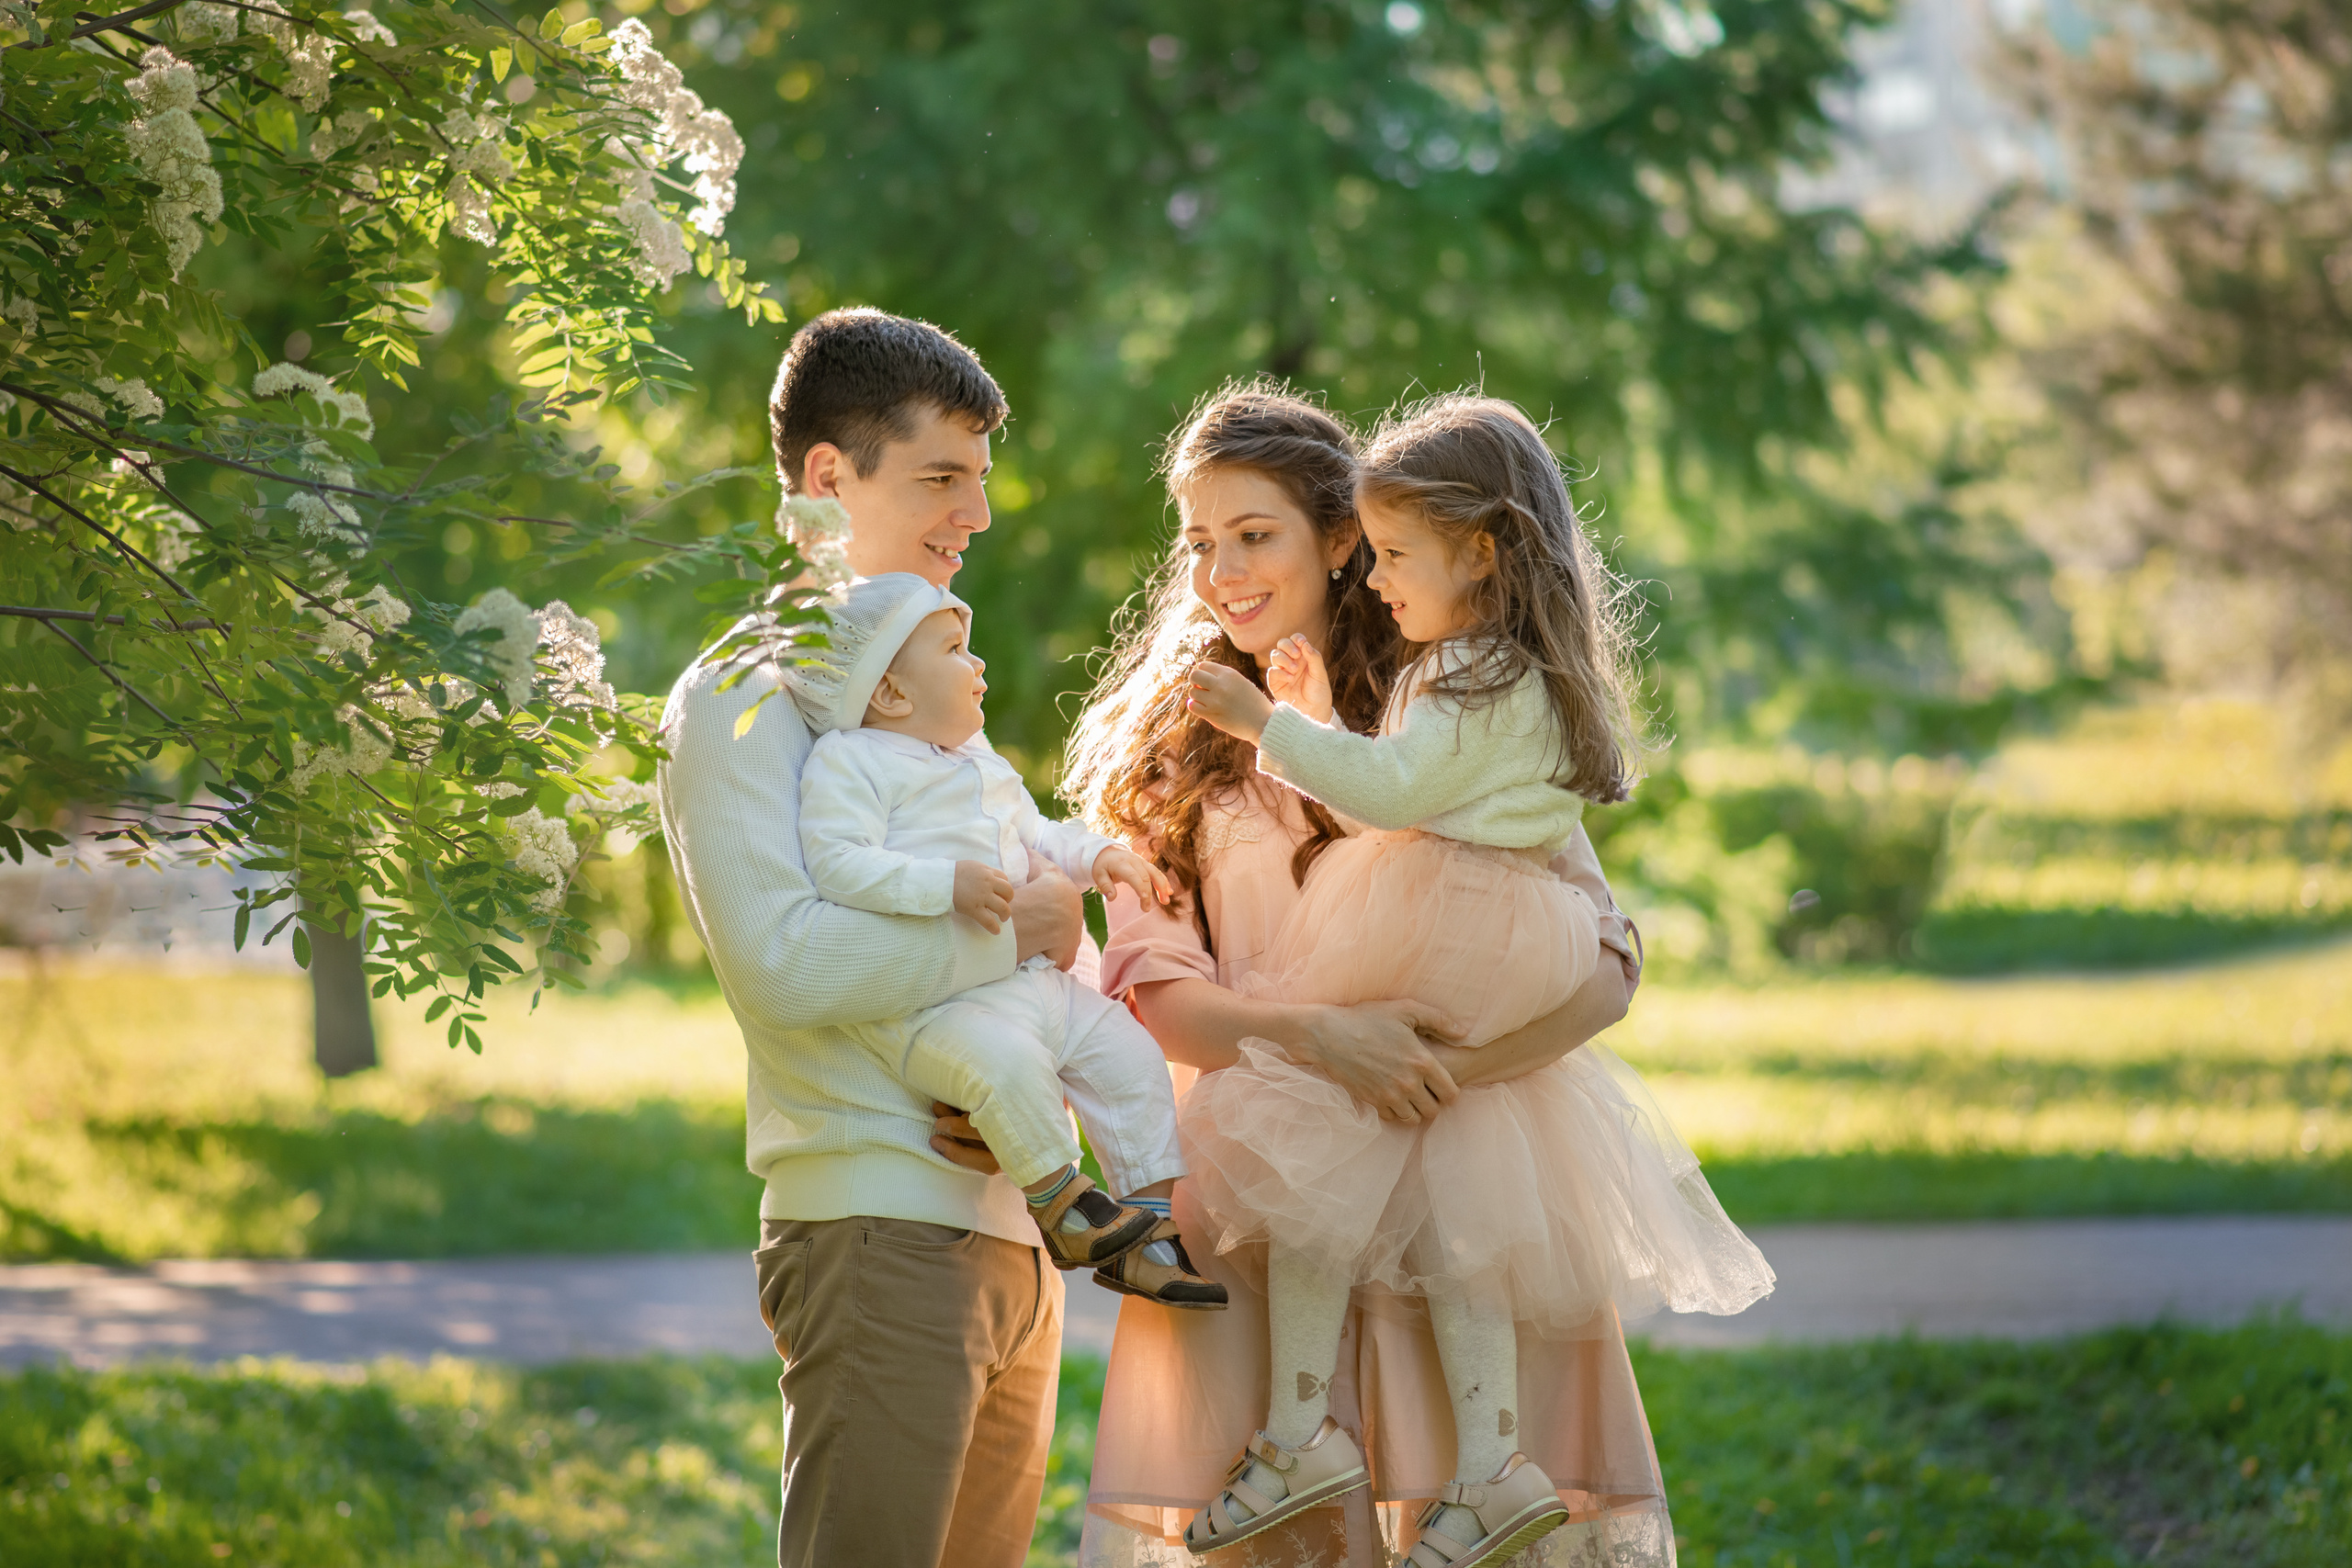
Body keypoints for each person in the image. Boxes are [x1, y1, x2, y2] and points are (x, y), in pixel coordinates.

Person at [1052, 383, 1681, 1568]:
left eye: (1256, 536)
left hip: (1462, 1186)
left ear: (1343, 540)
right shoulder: (1180, 749)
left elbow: (1604, 956)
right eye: (1198, 543)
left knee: (1482, 1507)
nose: (1221, 573)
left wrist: (1454, 1073)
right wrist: (1327, 1042)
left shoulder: (1448, 708)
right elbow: (1157, 999)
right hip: (1276, 1202)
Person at [1174, 393, 1774, 1565]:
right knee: (1465, 1225)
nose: (1383, 581)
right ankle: (1488, 1468)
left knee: (1313, 1164)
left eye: (1395, 555)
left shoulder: (1470, 675)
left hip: (1457, 925)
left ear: (1482, 549)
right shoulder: (1488, 673)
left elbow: (1396, 798)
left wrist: (1265, 726)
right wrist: (1308, 712)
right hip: (1494, 936)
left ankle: (1305, 1433)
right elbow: (1397, 783)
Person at [657, 308, 1085, 1568]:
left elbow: (1045, 918)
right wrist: (1017, 944)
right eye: (941, 476)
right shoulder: (740, 694)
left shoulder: (936, 691)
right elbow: (785, 961)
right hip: (878, 1226)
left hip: (1012, 1225)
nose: (979, 515)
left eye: (983, 481)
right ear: (828, 481)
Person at [784, 568, 1227, 1308]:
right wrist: (943, 885)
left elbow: (1041, 837)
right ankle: (1063, 1204)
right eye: (956, 649)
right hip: (946, 1002)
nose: (978, 662)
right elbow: (837, 863)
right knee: (1008, 1069)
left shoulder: (982, 761)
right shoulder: (850, 761)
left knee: (1129, 1055)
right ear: (890, 693)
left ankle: (1149, 1229)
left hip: (1033, 981)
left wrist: (1100, 855)